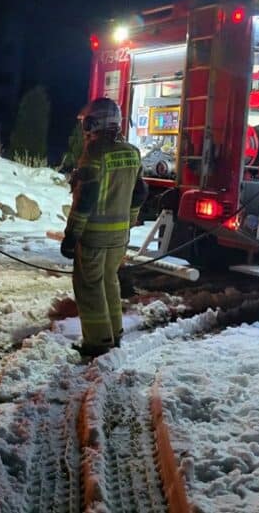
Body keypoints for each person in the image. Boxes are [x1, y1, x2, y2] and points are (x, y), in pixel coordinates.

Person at [60, 97, 148, 358]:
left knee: (89, 287)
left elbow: (85, 200)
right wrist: (129, 223)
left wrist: (71, 235)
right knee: (110, 281)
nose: (85, 128)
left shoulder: (94, 153)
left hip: (94, 236)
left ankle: (98, 342)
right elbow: (140, 193)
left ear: (95, 122)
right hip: (119, 237)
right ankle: (114, 333)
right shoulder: (132, 152)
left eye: (87, 123)